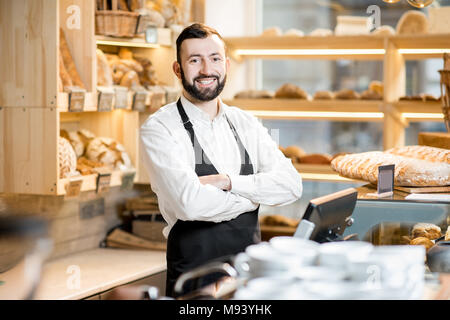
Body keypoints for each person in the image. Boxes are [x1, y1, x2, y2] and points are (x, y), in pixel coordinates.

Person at [140, 23, 302, 298]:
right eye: (195, 60)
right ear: (178, 69)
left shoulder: (244, 122)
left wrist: (228, 183)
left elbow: (290, 185)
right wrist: (253, 196)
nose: (206, 69)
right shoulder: (160, 128)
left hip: (247, 278)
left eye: (214, 59)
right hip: (195, 282)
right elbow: (190, 204)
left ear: (226, 64)